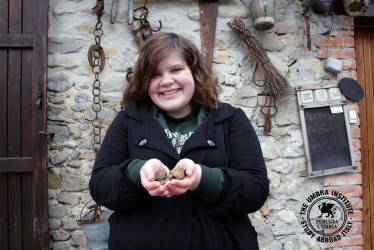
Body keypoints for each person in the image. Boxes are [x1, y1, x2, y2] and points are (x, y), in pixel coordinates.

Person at [89, 32, 269, 250]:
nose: (167, 81)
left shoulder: (229, 119)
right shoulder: (128, 121)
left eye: (176, 69)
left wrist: (202, 178)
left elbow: (256, 190)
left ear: (194, 72)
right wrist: (137, 173)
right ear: (145, 81)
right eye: (155, 75)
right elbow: (100, 185)